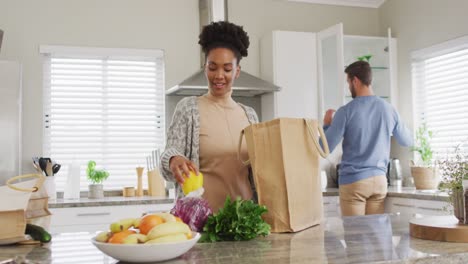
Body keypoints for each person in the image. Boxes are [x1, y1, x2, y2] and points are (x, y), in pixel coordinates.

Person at [160, 21, 258, 212]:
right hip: (200, 225)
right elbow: (169, 155)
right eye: (212, 67)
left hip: (245, 223)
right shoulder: (188, 109)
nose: (219, 75)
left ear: (237, 71)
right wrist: (173, 160)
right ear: (205, 67)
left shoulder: (250, 116)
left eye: (227, 69)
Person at [323, 60, 412, 216]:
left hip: (354, 182)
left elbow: (325, 148)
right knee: (376, 236)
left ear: (355, 80)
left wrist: (326, 125)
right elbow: (407, 141)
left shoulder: (346, 111)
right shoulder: (389, 109)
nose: (349, 86)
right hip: (379, 182)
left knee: (355, 236)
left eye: (348, 82)